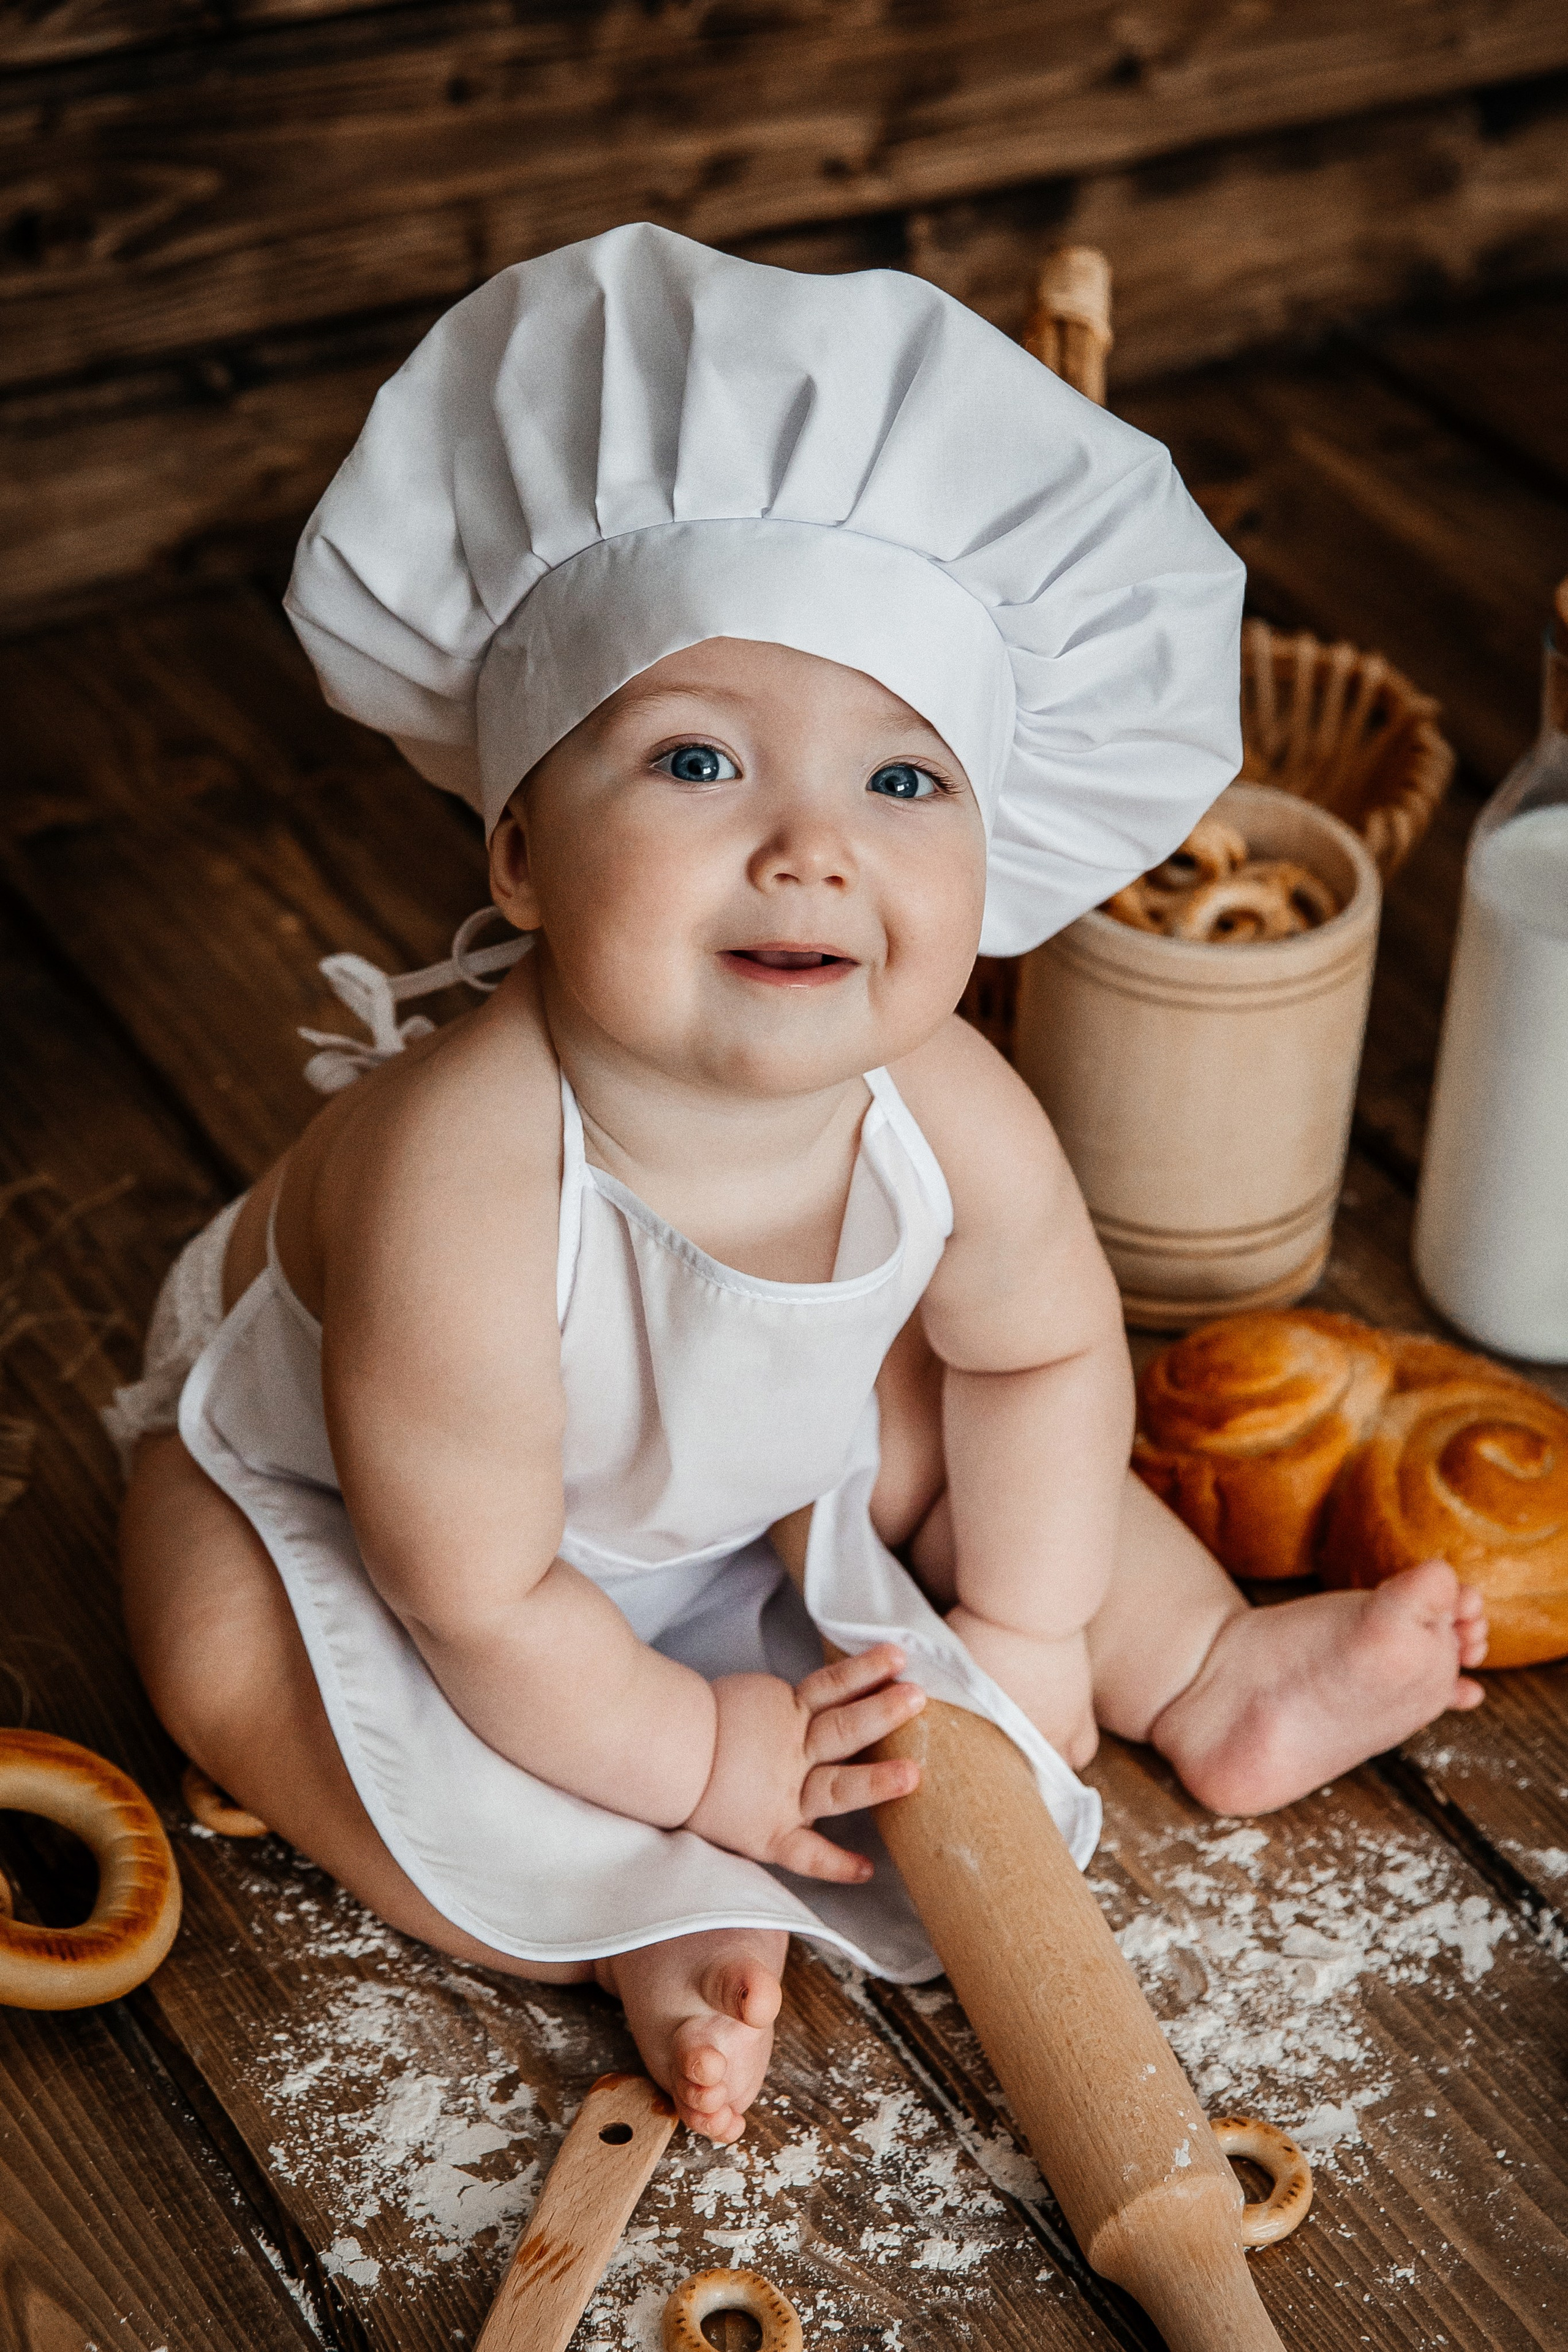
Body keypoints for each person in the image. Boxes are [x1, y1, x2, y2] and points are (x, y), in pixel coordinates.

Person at [110, 225, 1487, 2147]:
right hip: (410, 1515)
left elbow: (1041, 1361)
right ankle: (630, 1919)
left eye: (902, 786)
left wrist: (1020, 1639)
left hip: (732, 1464)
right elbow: (483, 1587)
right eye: (696, 760)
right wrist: (706, 1755)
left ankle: (1200, 1670)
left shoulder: (945, 1099)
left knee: (982, 1443)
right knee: (213, 1635)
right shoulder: (466, 1169)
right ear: (516, 849)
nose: (811, 853)